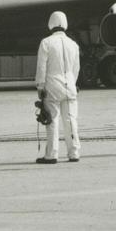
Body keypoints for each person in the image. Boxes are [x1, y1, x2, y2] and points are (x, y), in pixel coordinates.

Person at [34, 10, 81, 164]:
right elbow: (76, 68)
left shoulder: (46, 43)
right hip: (70, 86)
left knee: (52, 120)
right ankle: (74, 153)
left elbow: (42, 67)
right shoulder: (73, 44)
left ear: (50, 24)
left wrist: (40, 86)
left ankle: (52, 154)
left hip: (52, 87)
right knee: (70, 120)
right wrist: (73, 82)